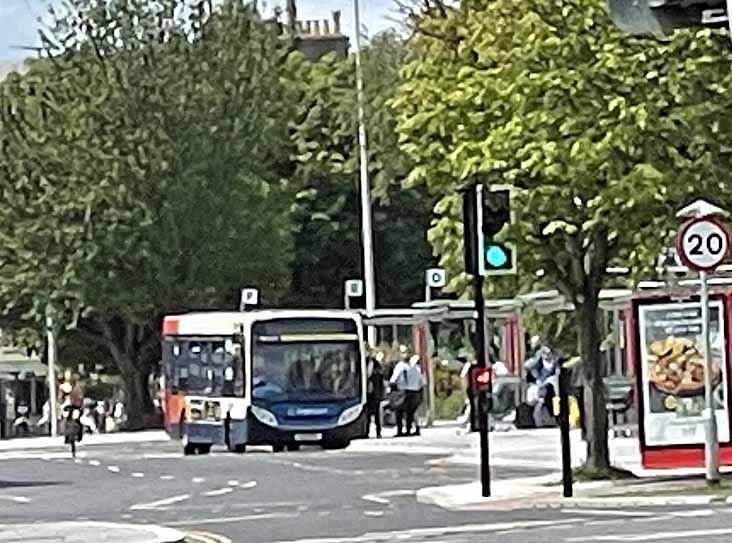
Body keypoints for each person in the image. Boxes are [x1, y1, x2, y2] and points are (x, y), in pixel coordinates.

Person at [525, 344, 559, 428]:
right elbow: (527, 366)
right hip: (539, 387)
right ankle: (539, 422)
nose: (547, 355)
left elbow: (556, 374)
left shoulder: (555, 363)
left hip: (551, 387)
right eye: (544, 353)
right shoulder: (538, 363)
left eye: (548, 353)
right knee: (540, 402)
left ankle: (550, 419)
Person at [403, 355, 426, 436]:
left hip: (408, 392)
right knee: (415, 412)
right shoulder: (420, 371)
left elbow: (404, 381)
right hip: (417, 392)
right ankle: (417, 428)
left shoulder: (408, 369)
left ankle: (408, 429)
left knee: (408, 412)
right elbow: (423, 383)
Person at [366, 351, 386, 438]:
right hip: (370, 393)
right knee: (369, 413)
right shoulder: (367, 363)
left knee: (374, 413)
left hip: (373, 394)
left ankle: (377, 431)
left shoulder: (376, 368)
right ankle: (369, 431)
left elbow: (380, 382)